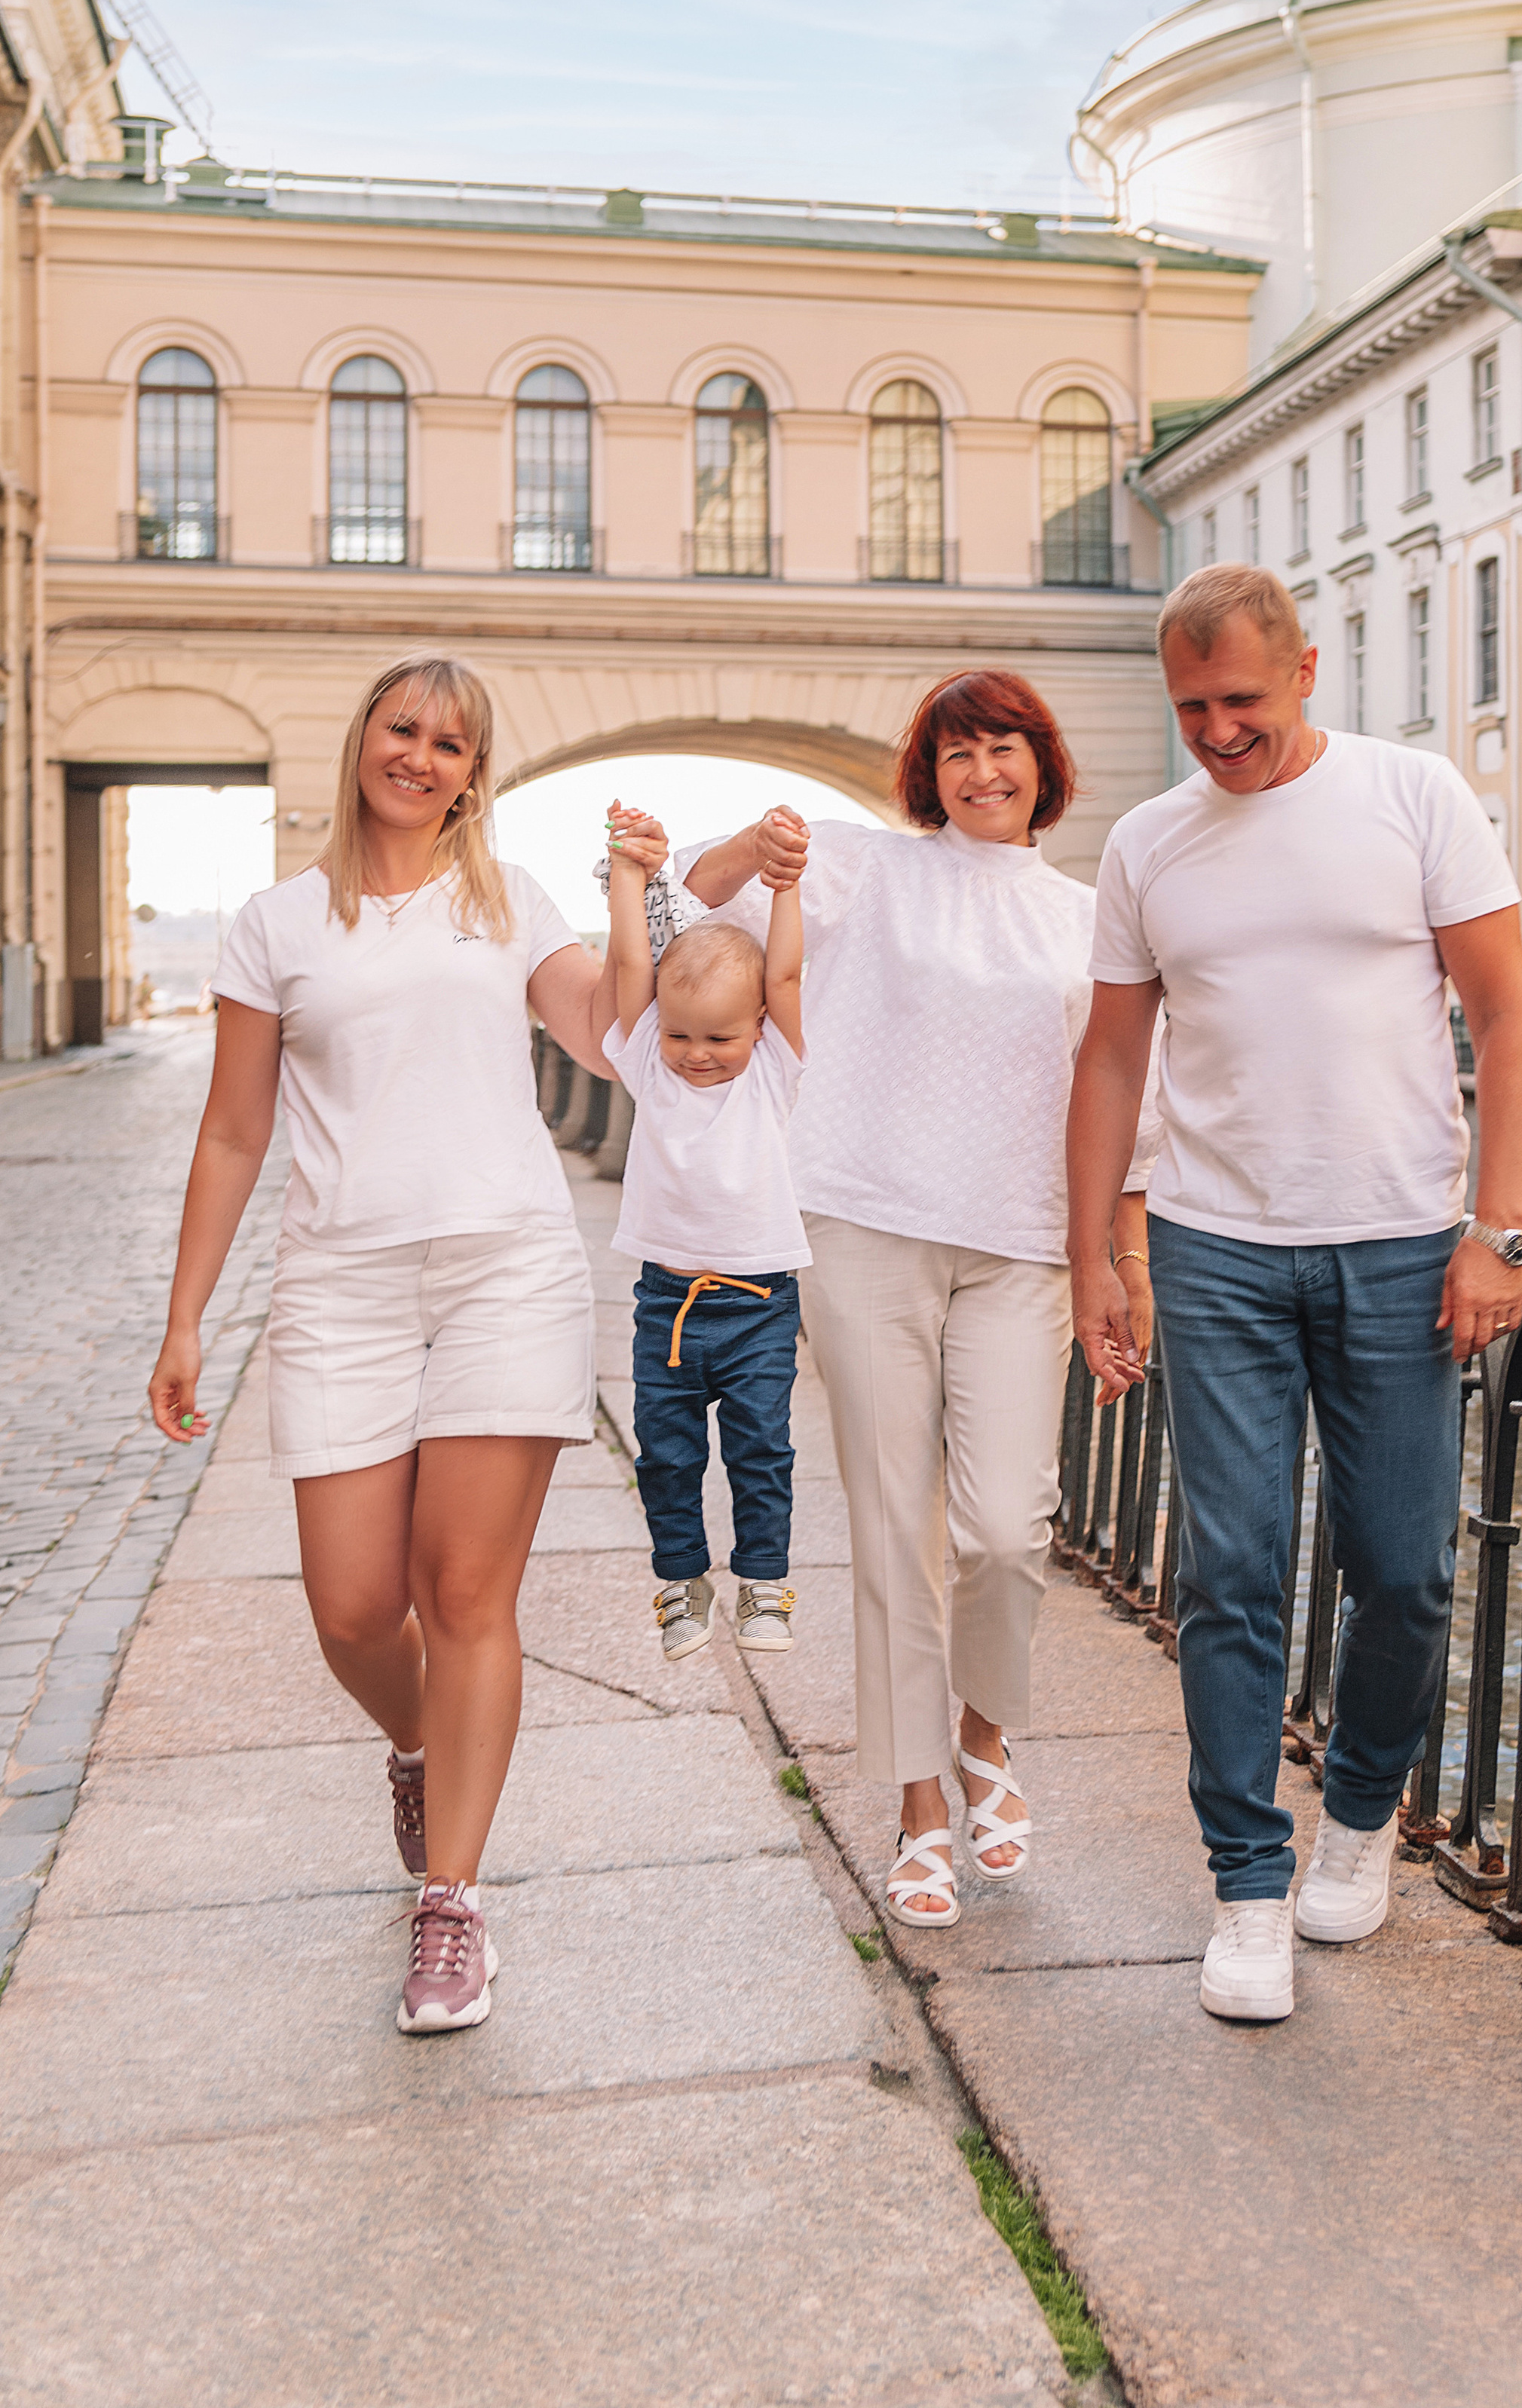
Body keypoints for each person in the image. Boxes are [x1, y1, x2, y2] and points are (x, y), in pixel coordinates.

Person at [1067, 565, 1522, 2024]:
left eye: (1242, 702)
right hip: (1213, 1249)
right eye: (1191, 707)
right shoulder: (1146, 846)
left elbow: (1505, 1019)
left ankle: (1355, 1816)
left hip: (1402, 1242)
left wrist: (1497, 1232)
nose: (1217, 731)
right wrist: (1096, 1251)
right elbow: (1105, 1061)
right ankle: (1244, 1886)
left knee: (1401, 1568)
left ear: (1306, 674)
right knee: (1230, 1574)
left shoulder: (1411, 799)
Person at [146, 653, 634, 2036]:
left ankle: (454, 1908)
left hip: (504, 1270)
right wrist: (185, 1316)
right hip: (342, 1285)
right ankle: (417, 1742)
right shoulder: (275, 923)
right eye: (403, 729)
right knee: (357, 1608)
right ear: (366, 738)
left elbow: (606, 1038)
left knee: (465, 1588)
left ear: (476, 772)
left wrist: (642, 895)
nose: (420, 756)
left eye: (451, 743)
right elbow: (237, 1127)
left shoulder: (509, 901)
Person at [681, 672, 1156, 1929]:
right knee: (895, 1530)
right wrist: (750, 842)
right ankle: (917, 1806)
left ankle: (986, 1739)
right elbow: (695, 902)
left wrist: (1127, 1261)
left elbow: (1127, 1098)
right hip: (863, 1228)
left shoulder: (1084, 916)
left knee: (1004, 1528)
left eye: (1002, 749)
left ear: (1041, 766)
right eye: (955, 753)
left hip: (1024, 1249)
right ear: (927, 772)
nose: (979, 773)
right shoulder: (859, 869)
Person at [601, 799, 809, 1661]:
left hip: (761, 1298)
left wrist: (784, 886)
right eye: (681, 1033)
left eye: (720, 1035)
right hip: (670, 1301)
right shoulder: (649, 1060)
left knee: (761, 1450)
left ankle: (764, 1584)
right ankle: (681, 1582)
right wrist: (625, 872)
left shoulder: (771, 1073)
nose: (696, 1052)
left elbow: (787, 977)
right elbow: (626, 962)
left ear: (757, 1026)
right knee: (666, 1453)